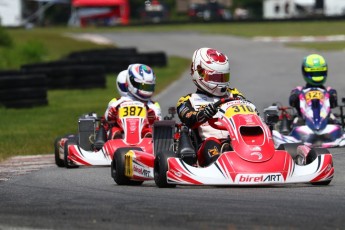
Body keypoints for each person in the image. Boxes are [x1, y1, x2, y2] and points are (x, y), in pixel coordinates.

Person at [176, 47, 249, 167]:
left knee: (247, 139)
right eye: (215, 78)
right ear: (198, 73)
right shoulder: (188, 100)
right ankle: (221, 162)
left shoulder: (234, 94)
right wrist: (204, 113)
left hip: (236, 140)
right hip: (206, 146)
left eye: (223, 78)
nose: (220, 82)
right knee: (212, 143)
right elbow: (188, 118)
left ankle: (256, 157)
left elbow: (248, 109)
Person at [95, 64, 162, 149]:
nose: (146, 90)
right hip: (118, 140)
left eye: (149, 87)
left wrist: (152, 121)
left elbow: (159, 126)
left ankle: (147, 137)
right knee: (113, 129)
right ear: (131, 82)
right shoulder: (116, 103)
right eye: (143, 86)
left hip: (145, 145)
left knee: (149, 130)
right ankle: (115, 137)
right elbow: (106, 121)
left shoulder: (153, 106)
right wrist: (110, 118)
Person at [289, 54, 338, 125]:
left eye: (319, 73)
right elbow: (292, 102)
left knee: (334, 120)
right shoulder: (298, 90)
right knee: (295, 121)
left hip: (326, 120)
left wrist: (331, 96)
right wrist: (296, 97)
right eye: (313, 73)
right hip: (303, 120)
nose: (317, 76)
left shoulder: (329, 90)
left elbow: (334, 104)